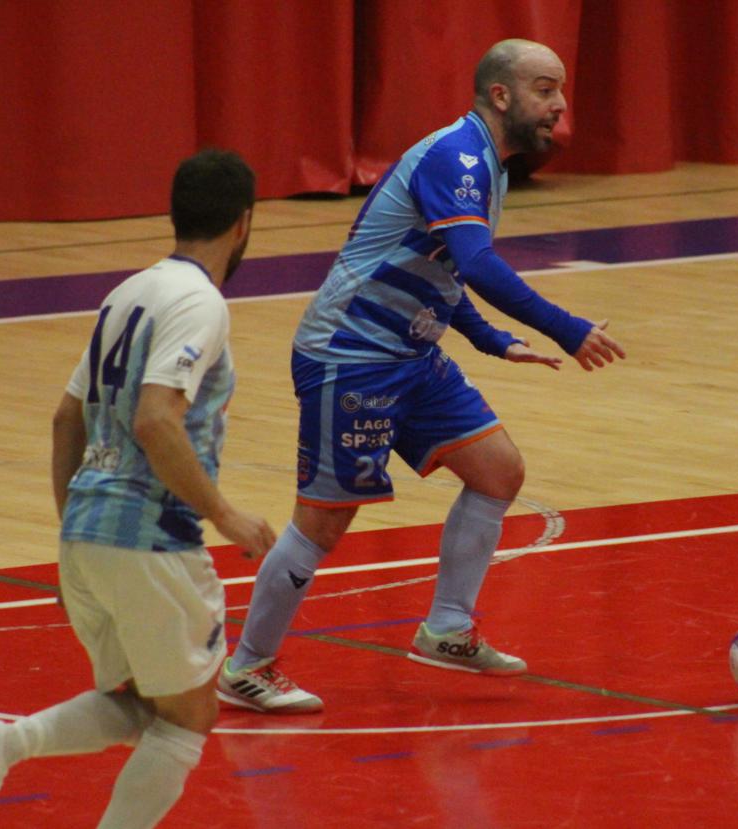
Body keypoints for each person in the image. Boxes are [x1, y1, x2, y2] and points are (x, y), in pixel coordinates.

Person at [217, 39, 624, 714]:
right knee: (323, 521)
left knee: (498, 470)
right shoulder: (455, 157)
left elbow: (443, 269)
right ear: (501, 95)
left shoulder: (485, 166)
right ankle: (246, 667)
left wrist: (492, 340)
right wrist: (567, 327)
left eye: (560, 90)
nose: (560, 105)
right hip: (350, 354)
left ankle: (446, 628)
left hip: (411, 355)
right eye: (546, 89)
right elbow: (479, 264)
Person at [0, 148, 276, 828]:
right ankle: (4, 746)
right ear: (243, 223)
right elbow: (155, 419)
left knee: (150, 705)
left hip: (87, 532)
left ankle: (2, 746)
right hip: (148, 537)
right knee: (190, 716)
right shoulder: (200, 303)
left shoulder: (126, 294)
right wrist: (226, 514)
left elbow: (67, 418)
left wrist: (73, 531)